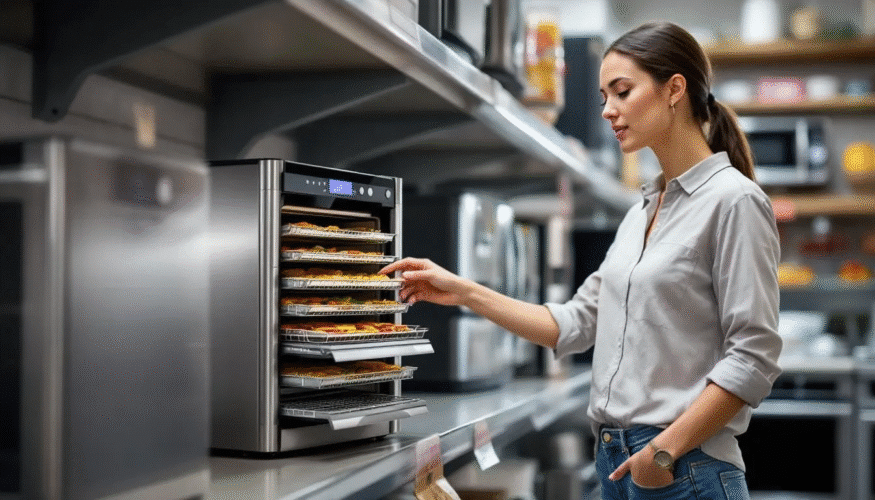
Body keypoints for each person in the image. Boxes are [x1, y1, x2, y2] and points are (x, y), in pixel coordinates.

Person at [380, 21, 782, 500]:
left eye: (622, 91)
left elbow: (753, 355)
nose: (608, 110)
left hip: (682, 468)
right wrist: (465, 291)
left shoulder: (734, 201)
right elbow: (573, 324)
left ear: (675, 89)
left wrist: (663, 452)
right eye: (603, 96)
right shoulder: (641, 212)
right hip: (618, 460)